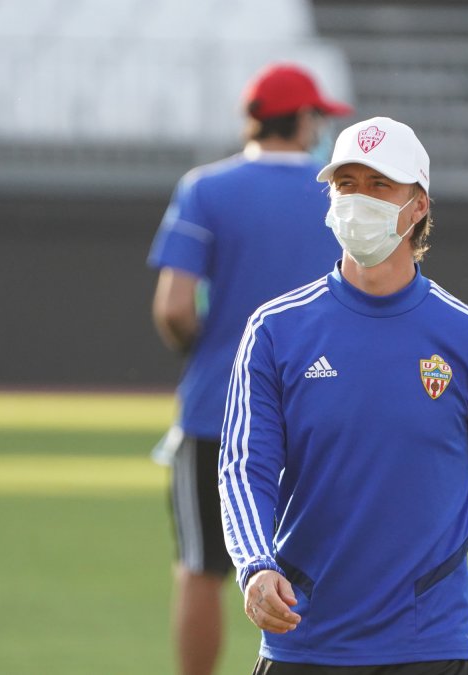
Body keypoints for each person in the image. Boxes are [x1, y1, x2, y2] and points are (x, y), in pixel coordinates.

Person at [219, 116, 468, 675]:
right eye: (346, 185)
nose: (358, 201)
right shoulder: (274, 331)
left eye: (379, 185)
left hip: (430, 649)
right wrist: (254, 564)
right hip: (303, 642)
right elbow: (246, 468)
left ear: (418, 206)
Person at [148, 63, 352, 675]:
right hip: (320, 411)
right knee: (329, 571)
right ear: (306, 120)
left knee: (201, 567)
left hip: (218, 409)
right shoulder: (334, 193)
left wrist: (201, 347)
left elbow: (174, 306)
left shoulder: (205, 189)